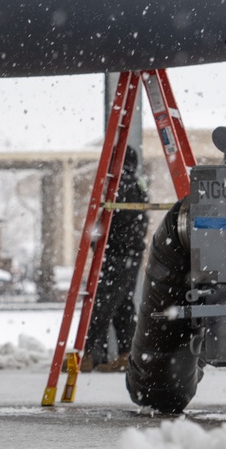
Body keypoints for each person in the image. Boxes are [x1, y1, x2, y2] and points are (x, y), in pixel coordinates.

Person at [81, 145, 148, 373]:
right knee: (123, 305)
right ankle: (125, 354)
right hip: (130, 254)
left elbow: (112, 220)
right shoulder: (137, 182)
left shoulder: (121, 184)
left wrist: (97, 242)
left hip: (117, 254)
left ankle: (89, 354)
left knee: (103, 303)